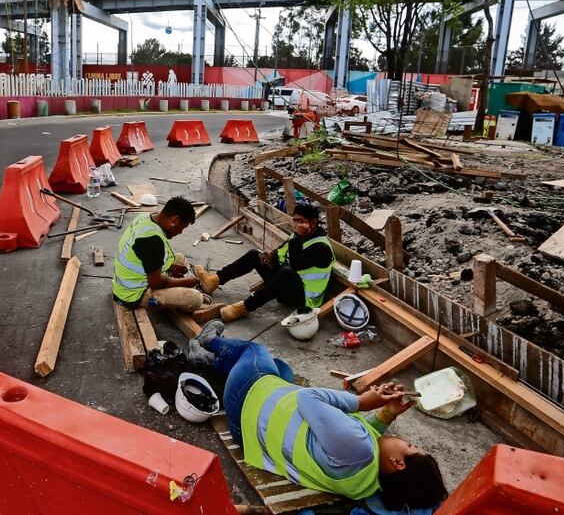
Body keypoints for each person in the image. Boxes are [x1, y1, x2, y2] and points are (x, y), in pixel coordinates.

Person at [191, 322, 448, 510]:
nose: (406, 441)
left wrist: (360, 402)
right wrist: (385, 415)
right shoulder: (365, 484)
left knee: (257, 353)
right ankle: (208, 362)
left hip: (248, 404)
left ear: (398, 462)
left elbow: (308, 398)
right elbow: (354, 438)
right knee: (282, 369)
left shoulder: (358, 448)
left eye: (411, 446)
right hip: (250, 433)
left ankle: (209, 341)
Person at [193, 203, 334, 322]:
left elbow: (296, 265)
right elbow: (282, 250)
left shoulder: (321, 246)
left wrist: (297, 236)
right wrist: (270, 256)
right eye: (294, 220)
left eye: (300, 221)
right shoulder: (299, 235)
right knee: (255, 255)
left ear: (313, 223)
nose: (296, 225)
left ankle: (244, 307)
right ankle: (214, 280)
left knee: (287, 272)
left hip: (301, 297)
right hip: (284, 283)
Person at [112, 196, 222, 317]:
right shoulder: (152, 240)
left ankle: (184, 290)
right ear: (174, 221)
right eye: (183, 227)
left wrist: (171, 267)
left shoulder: (145, 217)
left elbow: (145, 256)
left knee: (179, 258)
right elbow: (155, 283)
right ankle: (193, 298)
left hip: (127, 278)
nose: (180, 232)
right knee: (195, 298)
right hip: (133, 294)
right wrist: (185, 282)